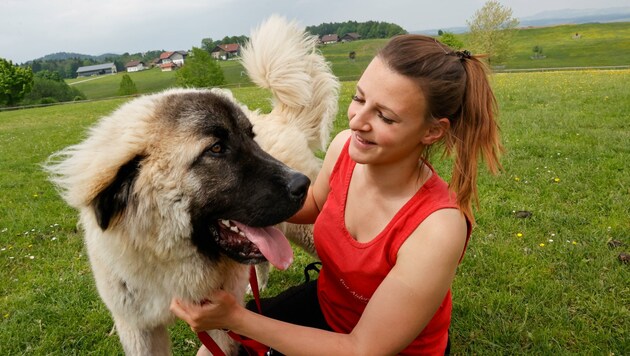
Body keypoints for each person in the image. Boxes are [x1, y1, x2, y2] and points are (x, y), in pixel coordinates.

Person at [171, 34, 502, 355]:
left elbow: (363, 348)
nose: (358, 121)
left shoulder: (438, 228)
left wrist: (235, 319)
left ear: (432, 131)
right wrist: (244, 203)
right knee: (211, 351)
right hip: (327, 305)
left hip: (371, 347)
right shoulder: (345, 147)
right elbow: (314, 204)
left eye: (384, 116)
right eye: (359, 98)